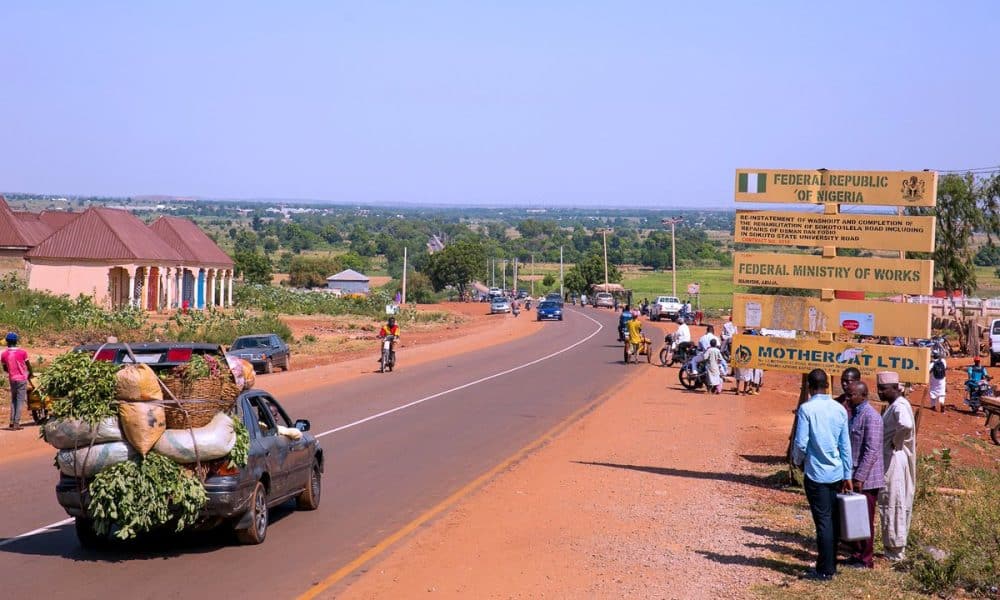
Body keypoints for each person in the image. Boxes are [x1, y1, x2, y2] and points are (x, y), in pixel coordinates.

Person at [791, 369, 853, 581]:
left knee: (823, 522)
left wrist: (797, 461)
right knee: (833, 520)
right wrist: (848, 473)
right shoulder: (839, 409)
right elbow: (845, 445)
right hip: (836, 473)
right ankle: (829, 564)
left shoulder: (807, 409)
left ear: (809, 386)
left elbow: (800, 443)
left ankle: (825, 569)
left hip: (816, 473)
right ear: (827, 385)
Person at [876, 371, 916, 562]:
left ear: (894, 388)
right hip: (891, 458)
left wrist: (895, 441)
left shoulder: (899, 405)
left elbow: (906, 425)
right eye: (879, 389)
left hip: (893, 459)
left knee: (893, 502)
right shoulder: (895, 405)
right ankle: (892, 548)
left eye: (883, 389)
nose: (880, 393)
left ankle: (895, 551)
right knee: (891, 501)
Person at [845, 381, 884, 569]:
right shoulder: (854, 414)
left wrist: (860, 477)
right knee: (854, 517)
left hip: (867, 478)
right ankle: (856, 553)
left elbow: (872, 450)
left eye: (851, 395)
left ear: (863, 395)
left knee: (866, 520)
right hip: (854, 475)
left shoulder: (871, 417)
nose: (848, 398)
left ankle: (866, 558)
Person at [1, 332, 32, 431]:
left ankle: (11, 421)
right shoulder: (22, 352)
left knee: (13, 400)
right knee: (19, 401)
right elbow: (28, 365)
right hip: (22, 379)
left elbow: (5, 368)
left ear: (7, 342)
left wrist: (11, 372)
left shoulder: (4, 354)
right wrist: (30, 373)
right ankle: (16, 423)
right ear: (16, 341)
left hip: (12, 379)